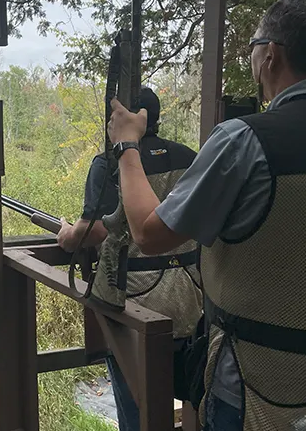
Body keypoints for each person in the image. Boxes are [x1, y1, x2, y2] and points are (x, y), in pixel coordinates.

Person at [106, 0, 306, 430]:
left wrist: (127, 147)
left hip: (258, 388)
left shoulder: (244, 142)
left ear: (270, 56)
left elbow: (150, 234)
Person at [56, 86, 203, 431]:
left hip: (133, 305)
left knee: (137, 411)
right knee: (193, 395)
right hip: (189, 303)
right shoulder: (190, 158)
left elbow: (94, 230)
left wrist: (67, 234)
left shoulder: (110, 162)